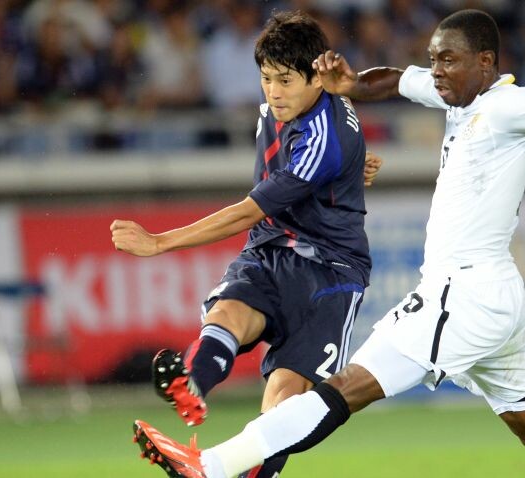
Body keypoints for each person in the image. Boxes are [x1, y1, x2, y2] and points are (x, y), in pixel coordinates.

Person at [132, 9, 525, 478]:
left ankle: (212, 466)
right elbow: (395, 80)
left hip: (462, 294)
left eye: (448, 61)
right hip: (494, 298)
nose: (437, 71)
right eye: (434, 60)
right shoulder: (454, 93)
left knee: (346, 388)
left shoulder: (510, 105)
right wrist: (353, 83)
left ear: (485, 62)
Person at [113, 11, 381, 478]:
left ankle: (228, 463)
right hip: (270, 249)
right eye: (266, 79)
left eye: (285, 80)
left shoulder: (324, 135)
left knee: (285, 400)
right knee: (228, 313)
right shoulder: (296, 111)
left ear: (317, 77)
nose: (273, 91)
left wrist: (159, 242)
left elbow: (246, 212)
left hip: (330, 271)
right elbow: (325, 158)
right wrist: (352, 168)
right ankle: (191, 384)